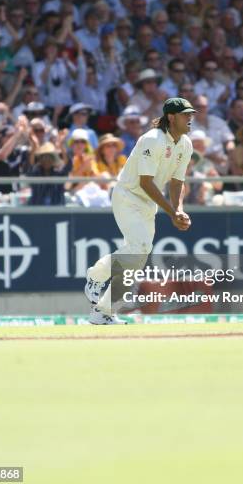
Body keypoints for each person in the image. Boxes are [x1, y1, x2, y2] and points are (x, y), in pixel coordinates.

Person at [84, 97, 195, 325]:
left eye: (191, 114)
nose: (190, 118)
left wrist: (179, 209)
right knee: (139, 249)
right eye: (185, 114)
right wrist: (172, 213)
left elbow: (177, 183)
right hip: (128, 196)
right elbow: (145, 182)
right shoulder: (152, 140)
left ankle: (102, 312)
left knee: (136, 259)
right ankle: (96, 276)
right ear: (171, 117)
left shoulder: (185, 144)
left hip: (148, 204)